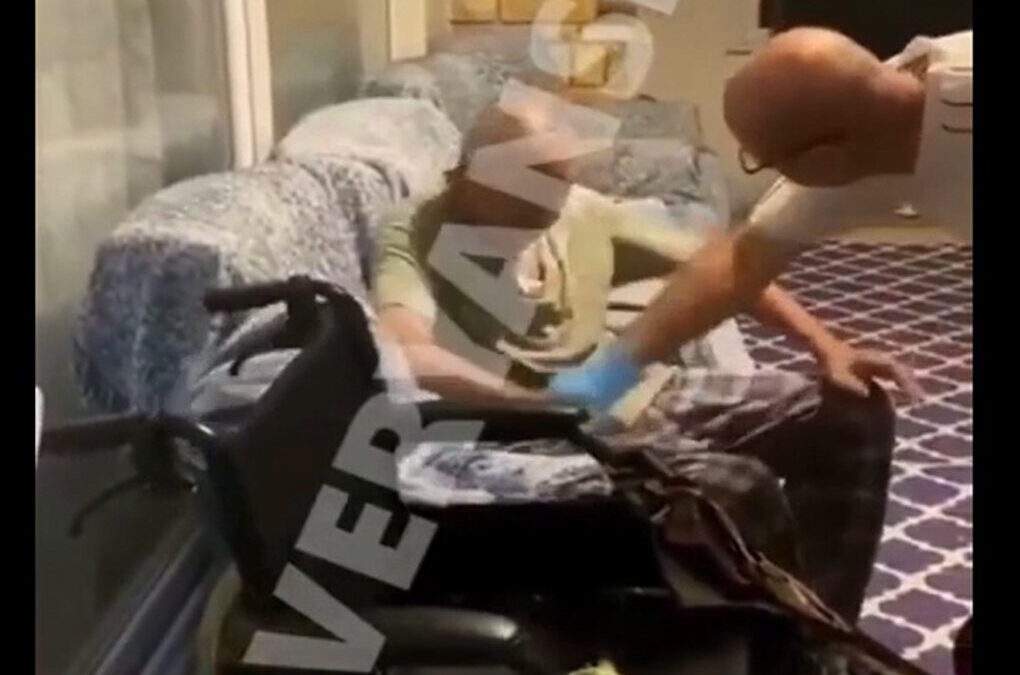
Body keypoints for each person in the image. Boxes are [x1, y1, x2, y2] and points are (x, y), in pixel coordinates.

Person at [372, 99, 915, 621]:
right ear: (473, 175)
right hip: (546, 430)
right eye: (523, 203)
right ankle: (781, 638)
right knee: (735, 488)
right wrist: (526, 402)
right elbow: (407, 349)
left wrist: (827, 346)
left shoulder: (581, 211)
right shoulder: (416, 229)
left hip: (630, 388)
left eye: (554, 194)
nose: (541, 216)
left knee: (852, 410)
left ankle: (825, 624)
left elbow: (728, 267)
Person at [551, 27, 970, 409]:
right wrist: (609, 373)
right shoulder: (877, 128)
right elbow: (741, 263)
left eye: (761, 161)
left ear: (823, 160)